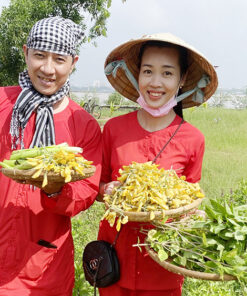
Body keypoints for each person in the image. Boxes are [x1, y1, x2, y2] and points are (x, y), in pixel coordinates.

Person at [97, 33, 218, 295]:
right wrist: (107, 190)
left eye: (167, 73)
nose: (155, 82)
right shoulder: (114, 129)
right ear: (137, 74)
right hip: (115, 264)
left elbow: (190, 198)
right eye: (148, 71)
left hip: (163, 270)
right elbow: (96, 185)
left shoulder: (193, 138)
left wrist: (197, 218)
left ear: (182, 78)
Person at [0, 17, 102, 296]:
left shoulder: (82, 124)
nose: (47, 69)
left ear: (73, 62)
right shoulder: (2, 104)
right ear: (25, 53)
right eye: (39, 56)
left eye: (59, 59)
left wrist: (57, 190)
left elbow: (86, 191)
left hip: (42, 267)